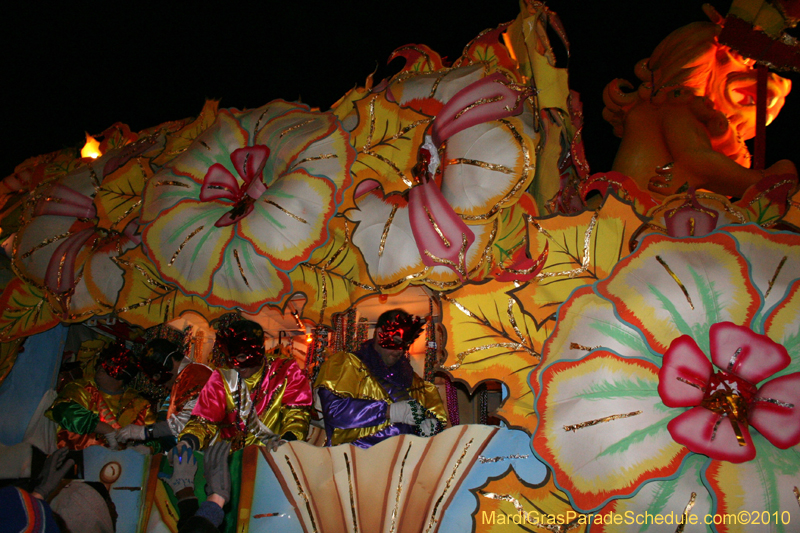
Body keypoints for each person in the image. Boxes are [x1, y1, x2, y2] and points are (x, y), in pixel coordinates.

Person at [314, 309, 448, 447]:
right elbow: (334, 411)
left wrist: (430, 425)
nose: (400, 350)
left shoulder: (415, 382)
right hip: (353, 461)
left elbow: (437, 421)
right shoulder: (347, 365)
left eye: (405, 344)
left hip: (404, 463)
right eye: (395, 342)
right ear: (379, 335)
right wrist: (389, 411)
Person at [179, 319, 312, 452]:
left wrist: (286, 442)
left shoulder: (286, 371)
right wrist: (188, 441)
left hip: (271, 458)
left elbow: (296, 416)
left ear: (259, 351)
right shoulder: (222, 377)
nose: (236, 365)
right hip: (228, 461)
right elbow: (204, 420)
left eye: (241, 357)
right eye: (230, 359)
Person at [46, 342, 155, 450]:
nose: (102, 365)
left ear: (122, 374)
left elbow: (155, 437)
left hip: (116, 464)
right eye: (103, 360)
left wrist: (142, 448)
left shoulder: (140, 405)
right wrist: (105, 429)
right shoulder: (83, 387)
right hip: (72, 458)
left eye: (111, 363)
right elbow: (63, 411)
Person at [117, 336, 212, 448]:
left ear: (170, 362)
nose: (160, 384)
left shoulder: (196, 375)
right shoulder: (181, 381)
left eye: (158, 375)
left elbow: (187, 422)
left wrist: (145, 432)